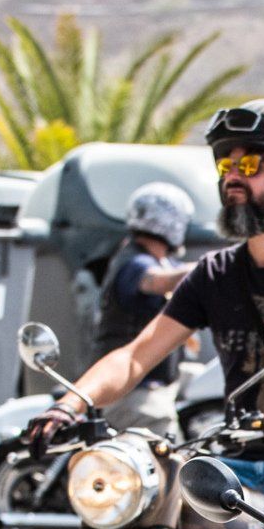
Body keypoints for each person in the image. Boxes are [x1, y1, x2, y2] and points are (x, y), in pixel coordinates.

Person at [27, 99, 264, 518]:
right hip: (234, 461)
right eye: (224, 166)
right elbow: (136, 356)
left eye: (247, 167)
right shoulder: (216, 272)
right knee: (139, 517)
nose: (231, 176)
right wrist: (70, 404)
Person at [89, 182, 196, 434]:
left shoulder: (164, 260)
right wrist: (212, 267)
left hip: (162, 379)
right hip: (131, 389)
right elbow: (157, 281)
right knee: (166, 441)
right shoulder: (134, 261)